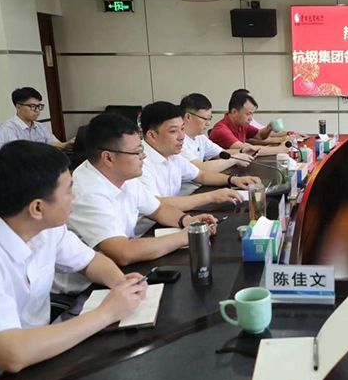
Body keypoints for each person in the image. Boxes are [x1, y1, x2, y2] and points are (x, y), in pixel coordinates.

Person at [0, 141, 146, 380]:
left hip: (39, 360)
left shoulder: (42, 222)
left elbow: (91, 262)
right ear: (38, 208)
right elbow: (12, 354)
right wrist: (107, 313)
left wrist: (121, 284)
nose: (74, 196)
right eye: (69, 190)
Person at [54, 114, 218, 295]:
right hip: (86, 291)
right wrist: (185, 237)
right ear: (108, 158)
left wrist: (189, 222)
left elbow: (159, 209)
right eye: (137, 152)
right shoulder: (87, 192)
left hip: (119, 275)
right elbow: (122, 252)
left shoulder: (123, 175)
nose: (144, 156)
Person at [139, 101, 259, 211]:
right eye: (173, 131)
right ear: (152, 136)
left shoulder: (172, 154)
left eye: (182, 129)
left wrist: (233, 180)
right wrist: (210, 197)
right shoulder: (139, 162)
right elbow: (157, 204)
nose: (181, 136)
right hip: (149, 226)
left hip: (171, 216)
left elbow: (201, 175)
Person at [180, 93, 254, 172]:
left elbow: (221, 153)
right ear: (188, 117)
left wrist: (242, 151)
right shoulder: (179, 141)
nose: (208, 123)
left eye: (210, 118)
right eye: (205, 119)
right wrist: (235, 160)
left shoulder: (200, 137)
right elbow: (200, 168)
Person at [209, 93, 288, 156]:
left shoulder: (241, 124)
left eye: (252, 114)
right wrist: (280, 149)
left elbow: (260, 135)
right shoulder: (221, 130)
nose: (251, 118)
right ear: (234, 112)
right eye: (248, 114)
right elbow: (249, 150)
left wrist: (268, 129)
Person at [2, 87, 75, 149]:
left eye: (39, 106)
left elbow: (53, 142)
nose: (37, 110)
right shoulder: (9, 128)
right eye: (33, 106)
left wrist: (65, 144)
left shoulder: (39, 126)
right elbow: (17, 153)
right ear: (18, 108)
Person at [235, 89, 308, 144]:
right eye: (250, 100)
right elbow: (250, 141)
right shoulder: (238, 124)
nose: (253, 102)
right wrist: (282, 140)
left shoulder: (248, 119)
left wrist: (290, 133)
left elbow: (261, 134)